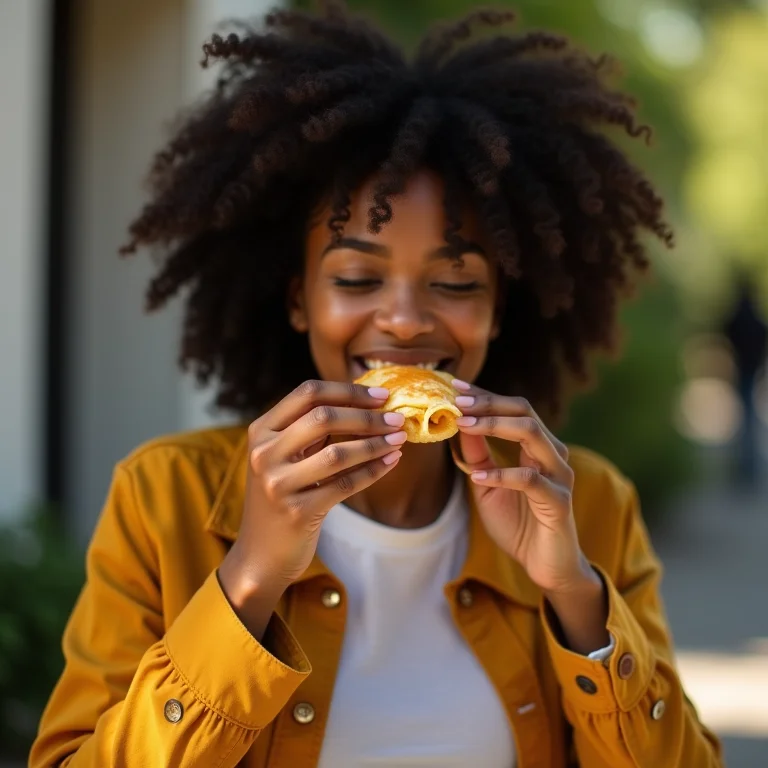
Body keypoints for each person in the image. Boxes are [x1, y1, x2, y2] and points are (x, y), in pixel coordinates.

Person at [30, 3, 723, 766]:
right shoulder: (163, 501)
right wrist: (249, 578)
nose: (402, 320)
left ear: (498, 313)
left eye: (456, 282)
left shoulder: (590, 507)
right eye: (357, 276)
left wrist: (576, 598)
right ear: (299, 298)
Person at [722, 275, 768, 487]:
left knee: (745, 419)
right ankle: (748, 466)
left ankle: (745, 466)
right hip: (751, 370)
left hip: (743, 370)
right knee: (748, 419)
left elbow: (726, 331)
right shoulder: (756, 317)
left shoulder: (738, 315)